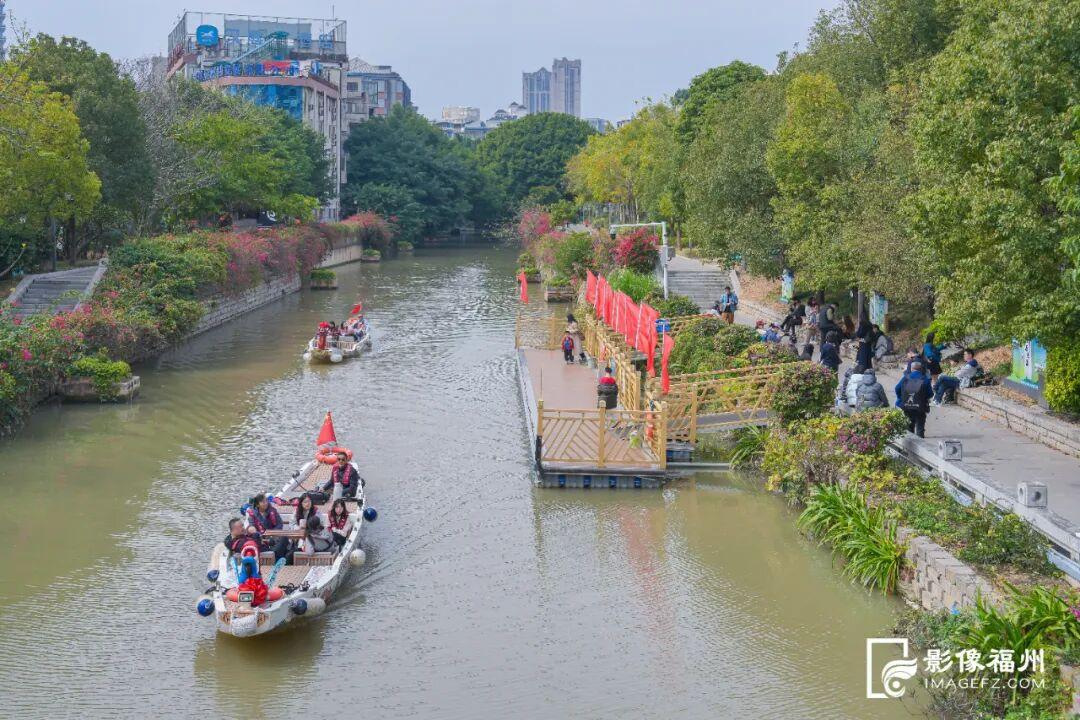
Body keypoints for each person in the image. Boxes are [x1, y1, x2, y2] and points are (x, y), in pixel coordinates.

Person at [246, 493, 289, 561]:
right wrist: (258, 534)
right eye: (263, 502)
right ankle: (275, 557)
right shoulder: (252, 514)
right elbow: (252, 526)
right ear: (257, 504)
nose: (266, 503)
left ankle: (276, 557)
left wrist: (271, 534)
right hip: (261, 538)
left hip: (274, 536)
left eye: (266, 501)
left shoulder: (273, 510)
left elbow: (279, 524)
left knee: (284, 538)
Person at [895, 361, 933, 438]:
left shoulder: (905, 378)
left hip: (907, 406)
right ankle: (921, 443)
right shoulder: (925, 379)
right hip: (920, 407)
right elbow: (930, 394)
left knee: (909, 426)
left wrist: (901, 398)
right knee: (920, 427)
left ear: (912, 369)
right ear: (921, 369)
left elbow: (897, 388)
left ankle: (909, 446)